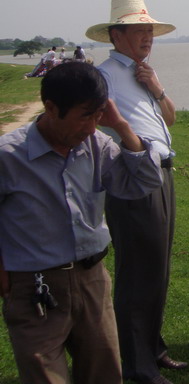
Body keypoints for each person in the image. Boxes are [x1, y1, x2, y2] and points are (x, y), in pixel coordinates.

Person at [0, 62, 163, 384]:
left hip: (92, 281)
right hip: (34, 287)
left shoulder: (97, 145)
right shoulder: (9, 156)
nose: (91, 127)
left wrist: (121, 125)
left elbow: (144, 181)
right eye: (85, 116)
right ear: (51, 108)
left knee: (104, 373)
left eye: (99, 115)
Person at [85, 0, 185, 384]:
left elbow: (170, 119)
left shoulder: (143, 74)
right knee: (139, 271)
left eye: (150, 31)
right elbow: (96, 123)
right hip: (133, 178)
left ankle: (152, 348)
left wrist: (157, 88)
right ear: (116, 35)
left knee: (157, 267)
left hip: (161, 175)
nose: (147, 37)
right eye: (139, 30)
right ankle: (137, 362)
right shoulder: (105, 76)